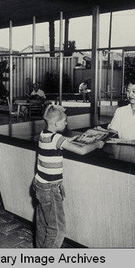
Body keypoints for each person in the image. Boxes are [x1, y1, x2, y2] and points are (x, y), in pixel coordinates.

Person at [33, 104, 104, 248]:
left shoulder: (44, 134)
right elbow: (82, 151)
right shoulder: (57, 139)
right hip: (51, 190)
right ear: (56, 123)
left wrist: (73, 139)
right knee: (58, 229)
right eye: (64, 120)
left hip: (39, 186)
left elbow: (60, 140)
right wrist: (97, 144)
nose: (66, 122)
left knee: (42, 224)